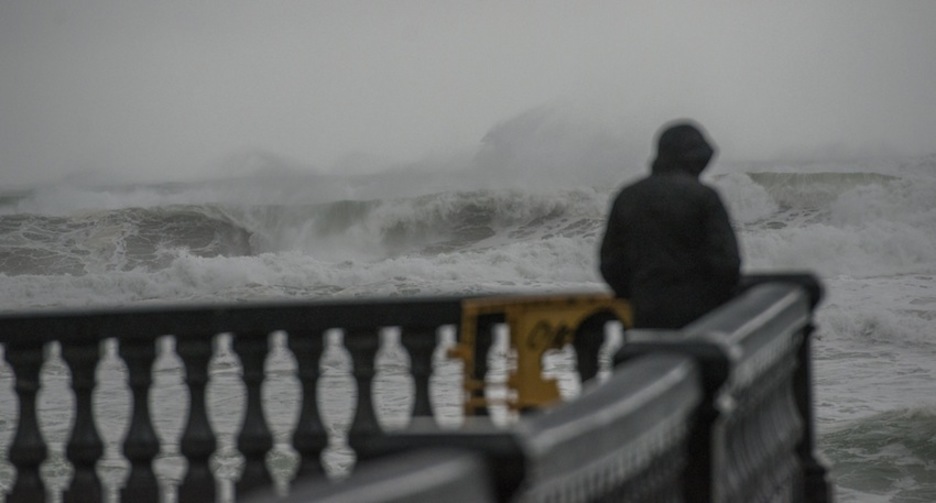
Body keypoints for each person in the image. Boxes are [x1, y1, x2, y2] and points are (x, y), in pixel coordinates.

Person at [599, 121, 741, 329]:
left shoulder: (628, 196)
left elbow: (610, 263)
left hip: (645, 314)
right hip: (700, 319)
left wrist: (637, 294)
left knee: (649, 363)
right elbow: (727, 264)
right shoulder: (704, 197)